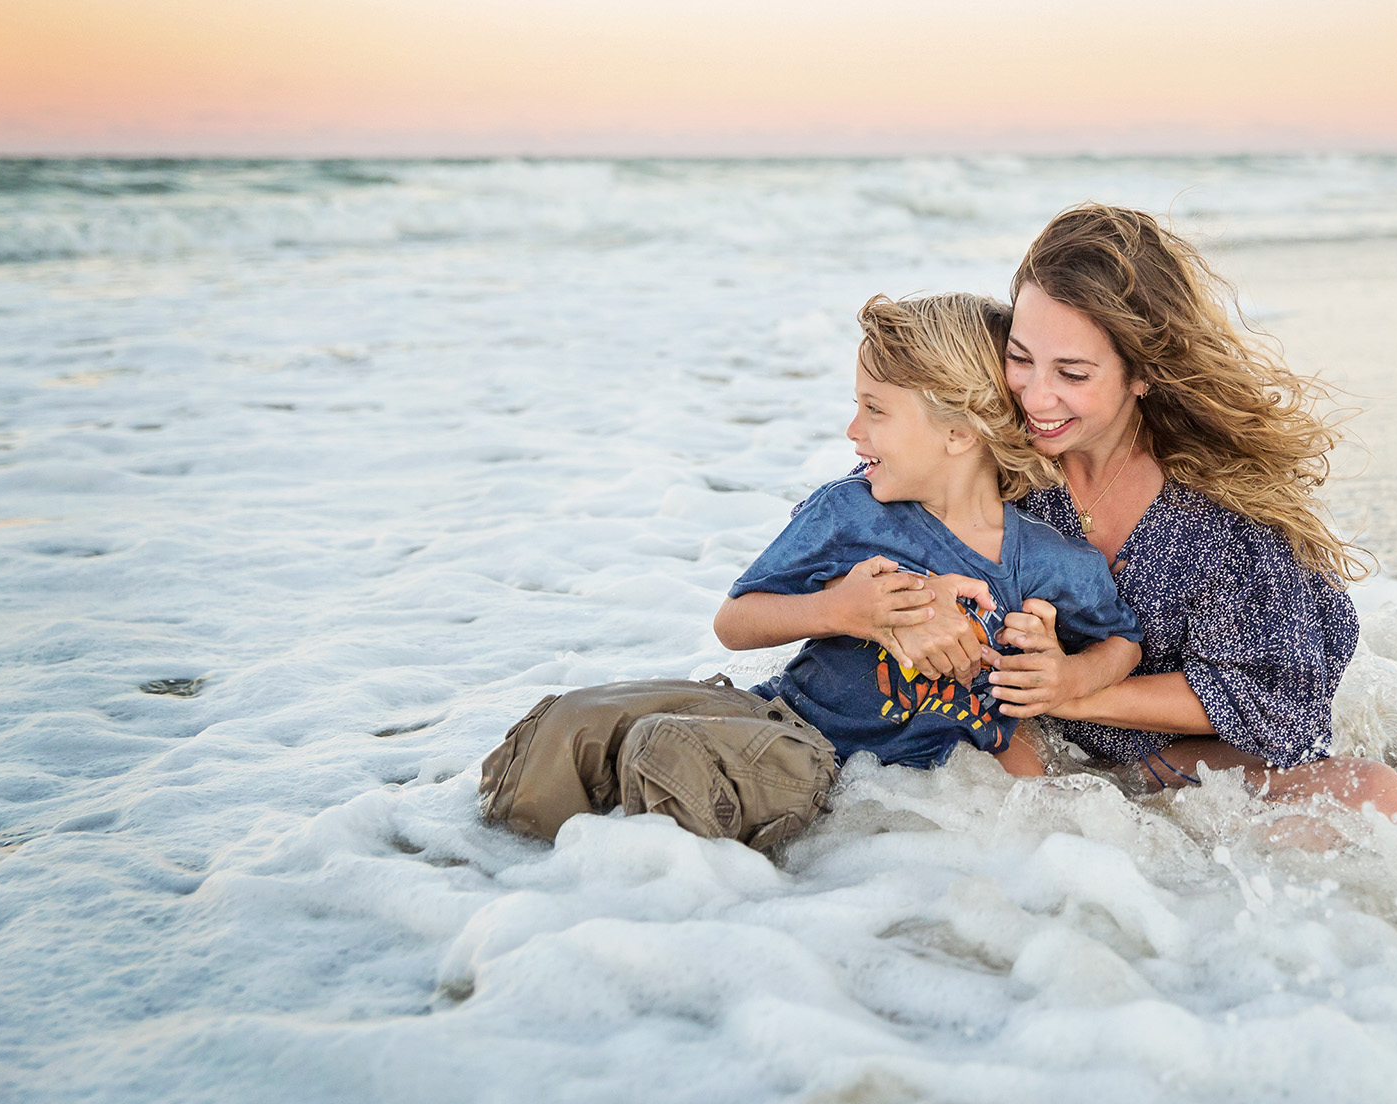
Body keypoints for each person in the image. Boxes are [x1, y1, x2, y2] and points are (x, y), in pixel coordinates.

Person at [479, 292, 1143, 849]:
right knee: (569, 725)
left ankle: (642, 914)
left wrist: (1072, 677)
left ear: (958, 432)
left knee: (667, 751)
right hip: (771, 711)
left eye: (875, 410)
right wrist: (842, 611)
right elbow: (736, 622)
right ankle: (511, 885)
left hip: (833, 768)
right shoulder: (847, 511)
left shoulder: (1046, 559)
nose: (854, 432)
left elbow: (1124, 639)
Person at [894, 204, 1397, 826]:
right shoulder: (989, 449)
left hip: (1169, 765)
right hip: (1010, 753)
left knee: (1373, 797)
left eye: (1073, 373)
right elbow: (856, 519)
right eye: (1021, 358)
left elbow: (1278, 693)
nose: (1035, 396)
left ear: (1142, 373)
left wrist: (1073, 691)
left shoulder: (1218, 512)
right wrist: (887, 606)